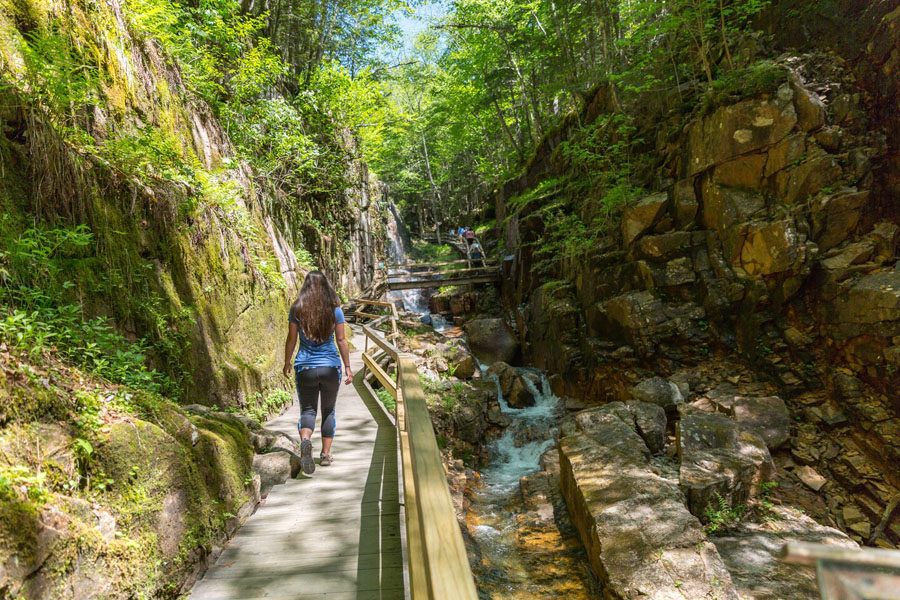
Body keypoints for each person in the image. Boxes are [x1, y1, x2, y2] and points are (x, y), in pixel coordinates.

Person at [282, 271, 352, 474]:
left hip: (305, 367)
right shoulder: (335, 311)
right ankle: (326, 454)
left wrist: (287, 362)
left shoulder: (297, 309)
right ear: (326, 287)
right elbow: (341, 340)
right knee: (328, 410)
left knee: (308, 410)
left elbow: (291, 339)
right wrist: (347, 367)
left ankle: (305, 442)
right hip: (330, 367)